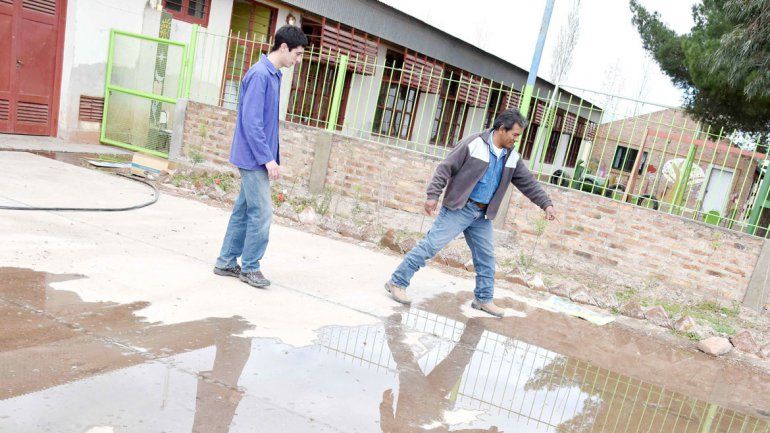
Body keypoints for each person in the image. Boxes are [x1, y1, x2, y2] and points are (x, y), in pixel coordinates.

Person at [384, 109, 559, 317]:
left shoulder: (512, 157)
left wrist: (546, 204)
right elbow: (445, 168)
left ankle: (483, 299)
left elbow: (528, 183)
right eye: (514, 134)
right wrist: (433, 195)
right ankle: (397, 282)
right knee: (430, 246)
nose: (516, 140)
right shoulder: (474, 143)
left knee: (486, 258)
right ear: (502, 129)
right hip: (460, 208)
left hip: (482, 216)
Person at [213, 25, 308, 288]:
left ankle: (226, 261)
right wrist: (268, 159)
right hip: (254, 158)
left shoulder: (273, 75)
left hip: (257, 155)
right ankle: (250, 267)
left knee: (243, 211)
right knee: (262, 212)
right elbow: (252, 122)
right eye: (297, 54)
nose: (298, 61)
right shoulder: (260, 75)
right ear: (284, 47)